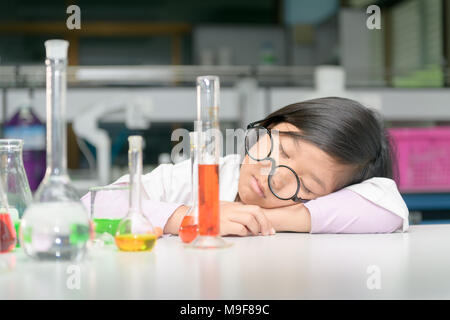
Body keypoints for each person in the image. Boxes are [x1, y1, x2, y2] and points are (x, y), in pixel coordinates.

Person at [82, 97, 409, 237]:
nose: (274, 176)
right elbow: (92, 206)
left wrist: (267, 219)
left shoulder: (316, 208)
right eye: (280, 148)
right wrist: (193, 218)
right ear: (272, 122)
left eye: (306, 186)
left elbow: (389, 207)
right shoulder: (201, 174)